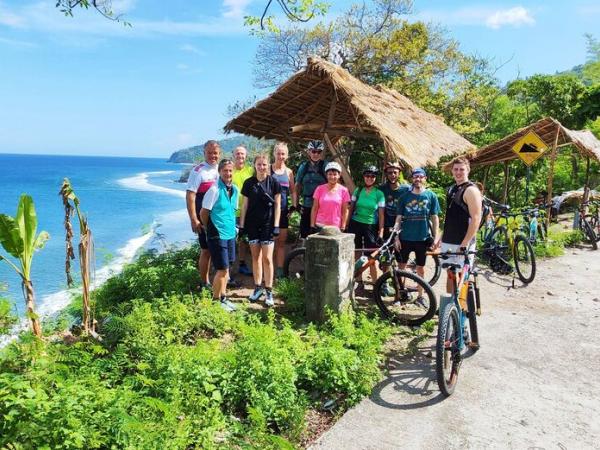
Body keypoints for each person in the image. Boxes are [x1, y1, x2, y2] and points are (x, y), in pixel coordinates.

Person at [239, 154, 282, 307]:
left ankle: (269, 290)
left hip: (268, 225)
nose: (262, 167)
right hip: (252, 225)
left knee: (268, 259)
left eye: (264, 164)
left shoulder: (274, 183)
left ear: (268, 165)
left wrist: (276, 225)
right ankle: (257, 287)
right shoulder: (248, 183)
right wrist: (242, 226)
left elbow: (277, 205)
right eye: (259, 164)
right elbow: (244, 206)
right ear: (254, 165)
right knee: (255, 257)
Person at [436, 156, 482, 293]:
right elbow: (450, 217)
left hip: (463, 240)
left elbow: (476, 219)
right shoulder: (451, 189)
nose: (458, 172)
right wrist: (441, 236)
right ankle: (449, 307)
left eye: (461, 169)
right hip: (449, 238)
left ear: (468, 170)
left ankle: (463, 309)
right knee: (450, 274)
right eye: (455, 169)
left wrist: (465, 243)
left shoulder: (471, 190)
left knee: (463, 275)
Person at [392, 168, 440, 299]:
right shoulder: (404, 197)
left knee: (420, 269)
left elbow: (435, 218)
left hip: (422, 238)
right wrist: (396, 237)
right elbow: (398, 218)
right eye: (415, 177)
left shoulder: (431, 196)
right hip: (405, 237)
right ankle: (400, 295)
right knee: (401, 268)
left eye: (420, 176)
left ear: (425, 179)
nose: (417, 179)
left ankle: (420, 296)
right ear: (412, 179)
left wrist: (436, 238)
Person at [199, 159, 239, 312]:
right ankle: (216, 301)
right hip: (217, 235)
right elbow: (203, 213)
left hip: (230, 233)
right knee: (221, 269)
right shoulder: (214, 190)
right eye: (225, 171)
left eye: (230, 170)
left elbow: (232, 211)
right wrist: (209, 228)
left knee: (227, 268)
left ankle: (223, 297)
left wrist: (235, 228)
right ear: (219, 172)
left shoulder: (234, 189)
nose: (228, 174)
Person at [186, 140, 220, 289]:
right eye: (210, 152)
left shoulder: (222, 168)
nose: (213, 155)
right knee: (206, 249)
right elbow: (190, 196)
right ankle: (204, 282)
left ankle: (221, 279)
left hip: (219, 217)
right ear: (204, 153)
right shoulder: (198, 171)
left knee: (219, 248)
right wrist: (193, 219)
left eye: (215, 153)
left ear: (219, 153)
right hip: (203, 218)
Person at [349, 165, 385, 285]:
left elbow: (381, 215)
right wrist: (346, 225)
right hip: (356, 223)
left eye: (372, 176)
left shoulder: (379, 194)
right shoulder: (358, 190)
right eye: (367, 175)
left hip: (370, 225)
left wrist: (381, 230)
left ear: (375, 178)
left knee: (372, 256)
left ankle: (376, 284)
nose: (369, 178)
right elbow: (351, 208)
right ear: (364, 177)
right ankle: (358, 281)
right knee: (357, 253)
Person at [271, 142, 297, 278]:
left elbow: (293, 191)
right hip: (269, 212)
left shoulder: (289, 172)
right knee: (268, 243)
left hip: (283, 211)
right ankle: (267, 270)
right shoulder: (268, 169)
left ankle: (280, 271)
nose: (280, 156)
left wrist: (293, 206)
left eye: (283, 154)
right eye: (278, 153)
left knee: (281, 242)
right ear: (274, 153)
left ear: (286, 156)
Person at [295, 141, 327, 238]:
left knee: (321, 233)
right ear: (309, 152)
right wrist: (296, 204)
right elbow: (298, 185)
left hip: (322, 206)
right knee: (305, 233)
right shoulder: (303, 167)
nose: (316, 154)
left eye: (318, 152)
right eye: (313, 151)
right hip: (307, 204)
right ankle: (304, 252)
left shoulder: (325, 165)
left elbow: (333, 183)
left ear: (321, 153)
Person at [231, 145, 254, 277]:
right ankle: (228, 268)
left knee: (243, 240)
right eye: (238, 153)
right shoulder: (229, 170)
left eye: (242, 154)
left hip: (247, 212)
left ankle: (241, 264)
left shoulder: (251, 170)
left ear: (246, 156)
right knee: (230, 240)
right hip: (231, 213)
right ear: (234, 155)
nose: (240, 156)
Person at [310, 161, 351, 231]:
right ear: (326, 175)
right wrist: (312, 225)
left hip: (336, 227)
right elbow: (315, 208)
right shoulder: (319, 189)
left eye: (335, 174)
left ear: (339, 175)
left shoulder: (344, 191)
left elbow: (345, 210)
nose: (332, 177)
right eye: (330, 174)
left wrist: (343, 226)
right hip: (320, 225)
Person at [379, 161, 410, 239]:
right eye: (389, 173)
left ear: (399, 174)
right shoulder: (381, 189)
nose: (392, 175)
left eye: (395, 172)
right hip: (386, 225)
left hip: (402, 226)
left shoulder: (407, 189)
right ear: (386, 174)